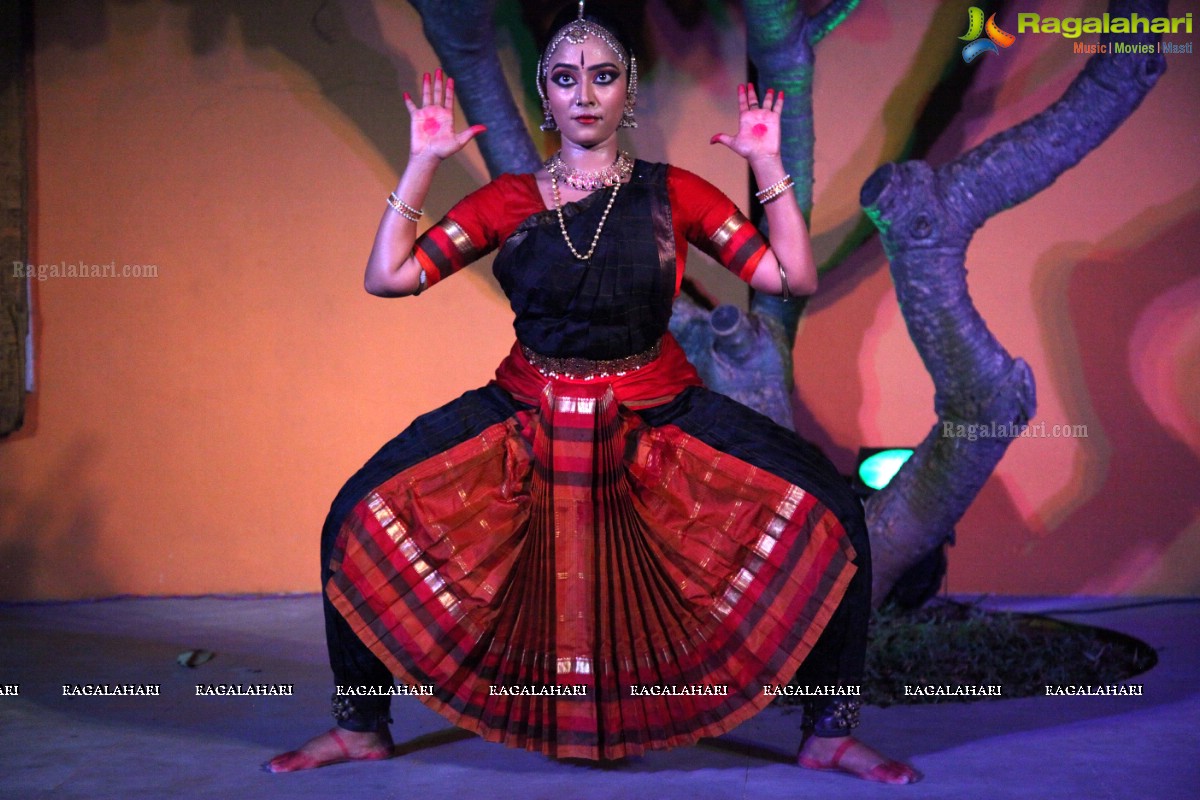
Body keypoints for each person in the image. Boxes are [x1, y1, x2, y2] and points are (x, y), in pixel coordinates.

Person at [268, 1, 918, 785]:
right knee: (354, 510)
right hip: (526, 407)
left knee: (836, 508)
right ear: (545, 95)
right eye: (566, 79)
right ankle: (361, 726)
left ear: (626, 90)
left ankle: (828, 732)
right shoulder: (508, 200)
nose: (585, 94)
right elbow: (389, 277)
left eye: (603, 77)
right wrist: (422, 163)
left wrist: (767, 162)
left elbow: (790, 276)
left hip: (659, 407)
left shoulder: (673, 192)